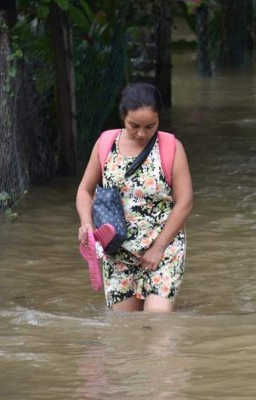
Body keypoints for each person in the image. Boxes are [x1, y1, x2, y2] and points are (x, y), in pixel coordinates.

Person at [76, 82, 193, 312]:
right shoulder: (105, 145)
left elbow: (185, 202)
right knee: (123, 330)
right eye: (134, 126)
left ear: (159, 119)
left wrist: (158, 248)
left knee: (157, 319)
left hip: (163, 250)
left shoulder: (171, 148)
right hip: (118, 252)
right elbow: (84, 191)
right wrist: (86, 224)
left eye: (150, 126)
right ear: (122, 117)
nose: (142, 133)